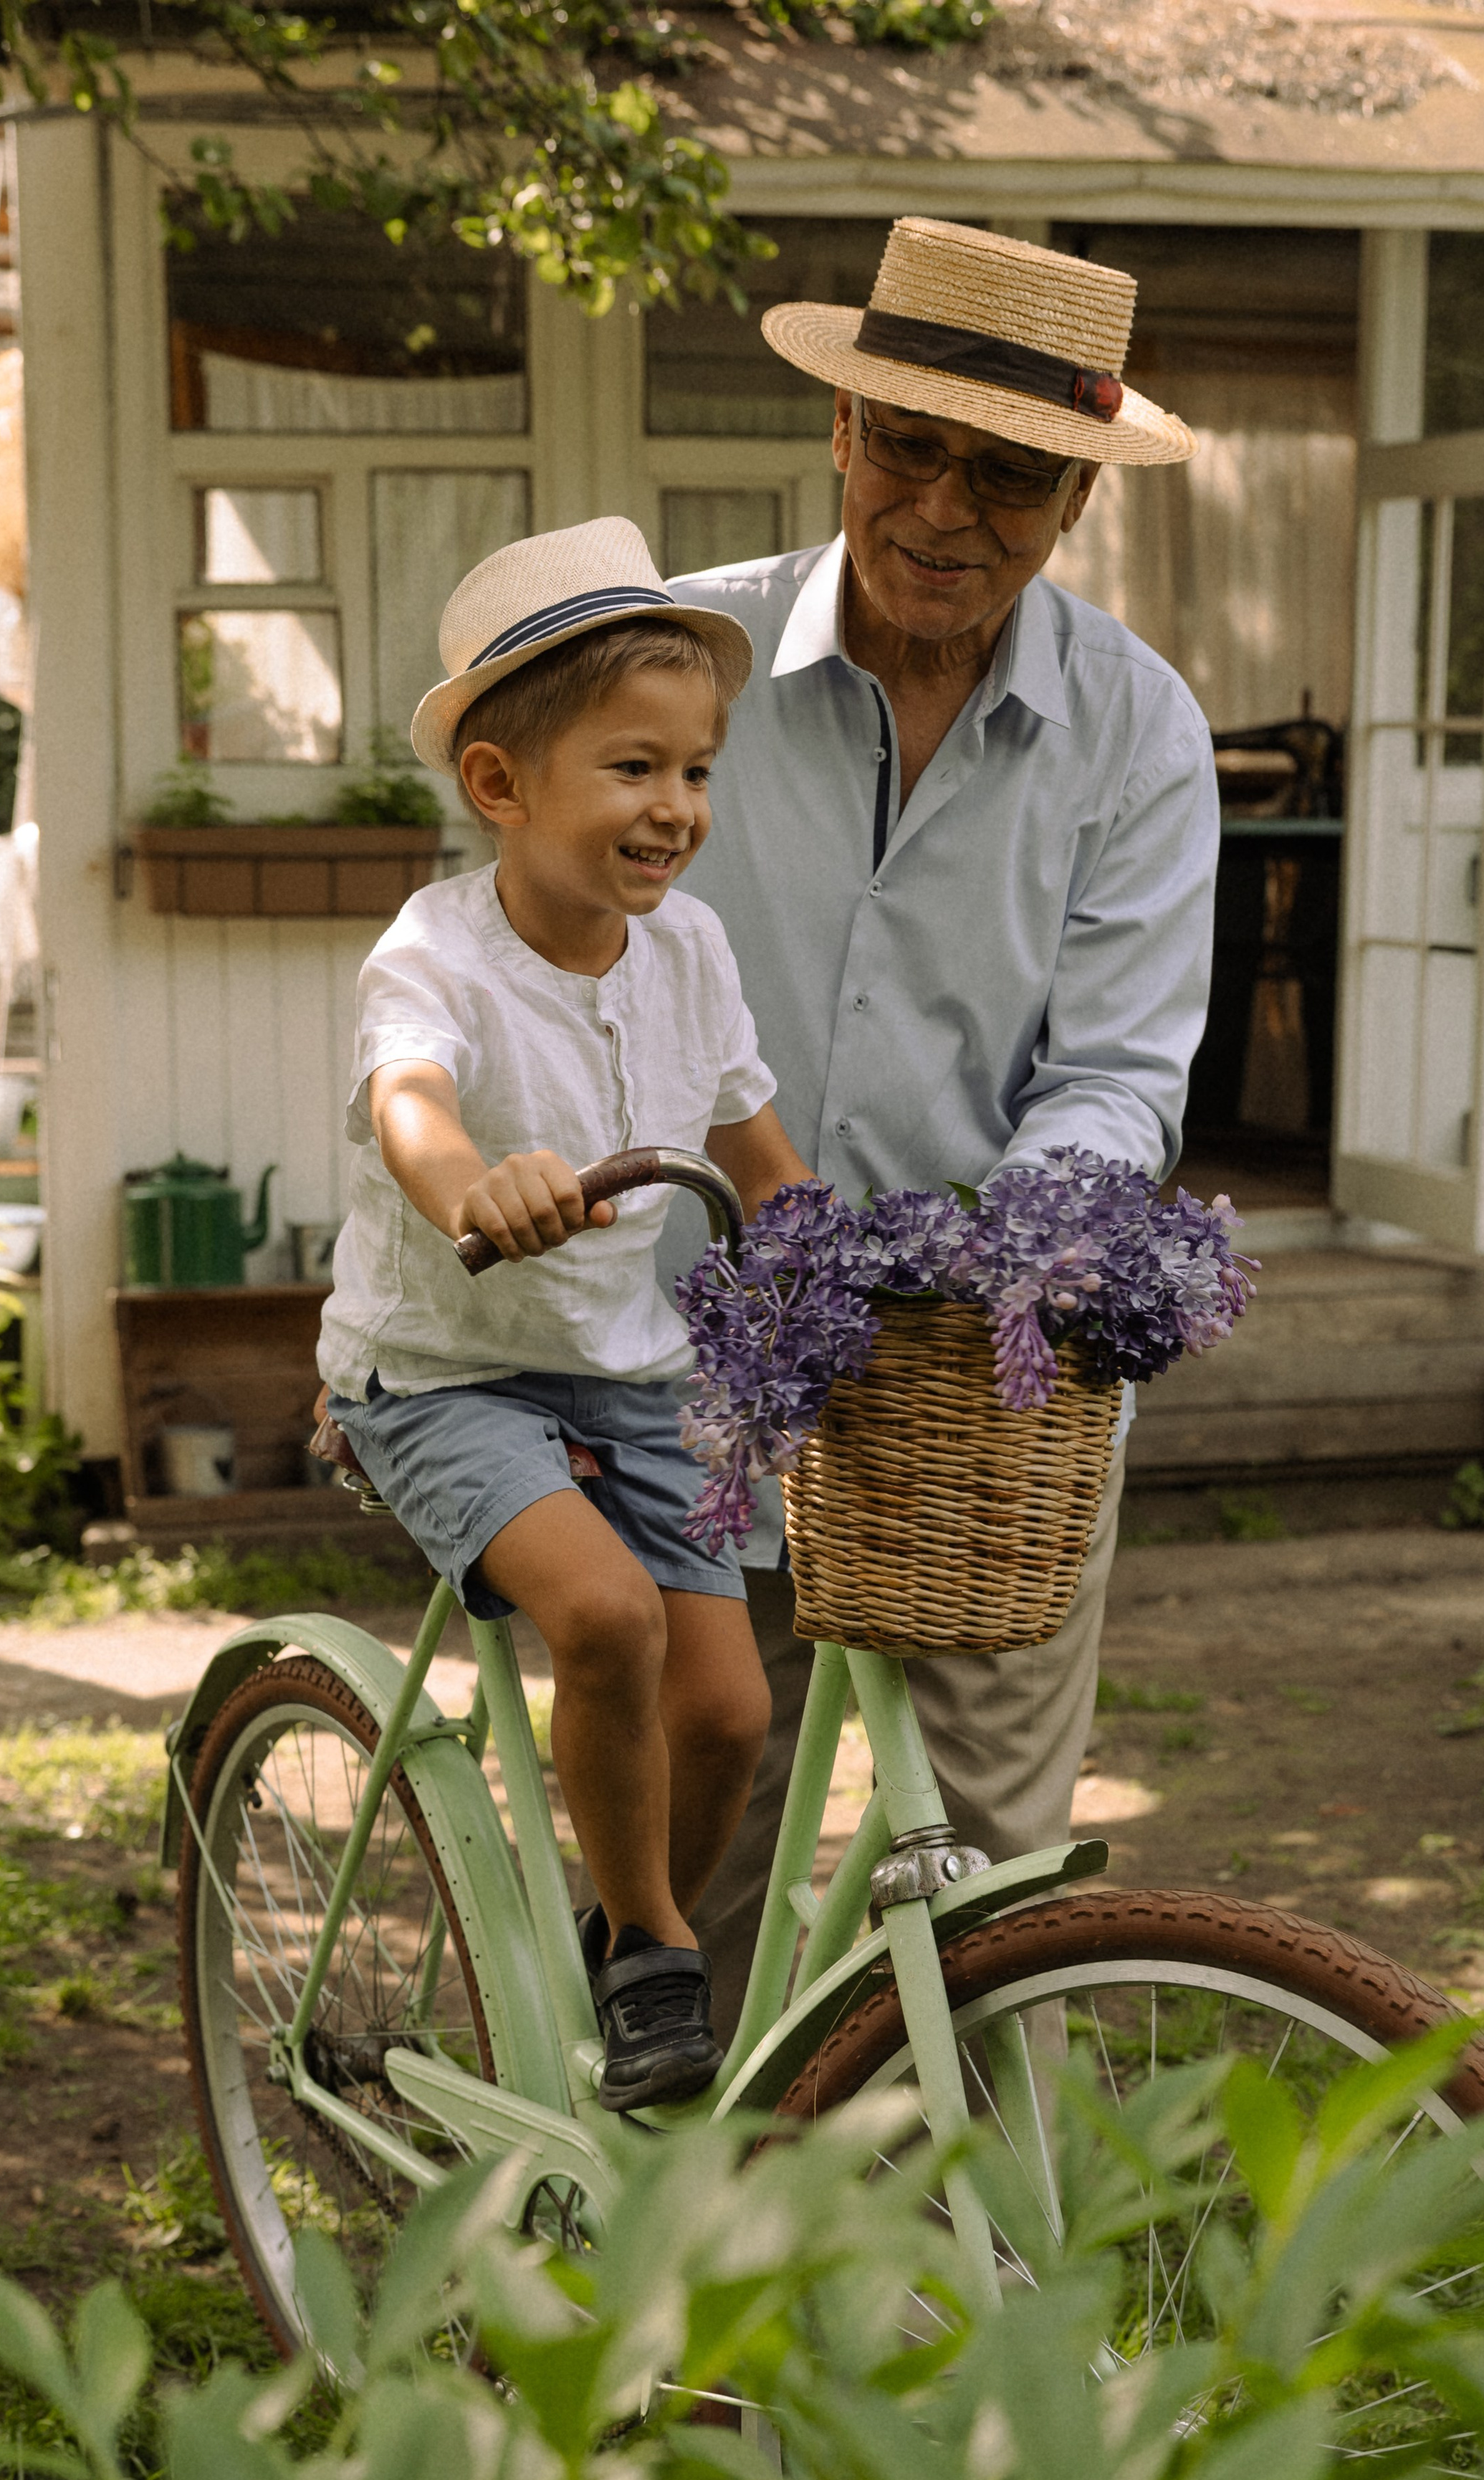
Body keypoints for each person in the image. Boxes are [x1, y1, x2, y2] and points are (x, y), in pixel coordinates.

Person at [666, 216, 1219, 2038]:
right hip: (691, 1359)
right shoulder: (683, 665)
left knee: (991, 1887)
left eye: (1009, 470)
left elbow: (1121, 1071)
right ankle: (654, 2277)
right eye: (910, 443)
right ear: (841, 426)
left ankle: (1004, 2288)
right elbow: (552, 956)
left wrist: (989, 1267)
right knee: (693, 1879)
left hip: (984, 1402)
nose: (945, 508)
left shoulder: (1135, 731)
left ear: (1073, 491)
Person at [315, 519, 812, 2108]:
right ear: (501, 786)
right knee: (603, 1619)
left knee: (730, 1703)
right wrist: (473, 1189)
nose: (674, 808)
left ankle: (615, 1928)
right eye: (631, 768)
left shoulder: (695, 952)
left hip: (626, 1369)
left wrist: (854, 1267)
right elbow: (409, 1104)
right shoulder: (438, 952)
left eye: (694, 771)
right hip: (444, 1376)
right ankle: (657, 1957)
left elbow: (759, 1153)